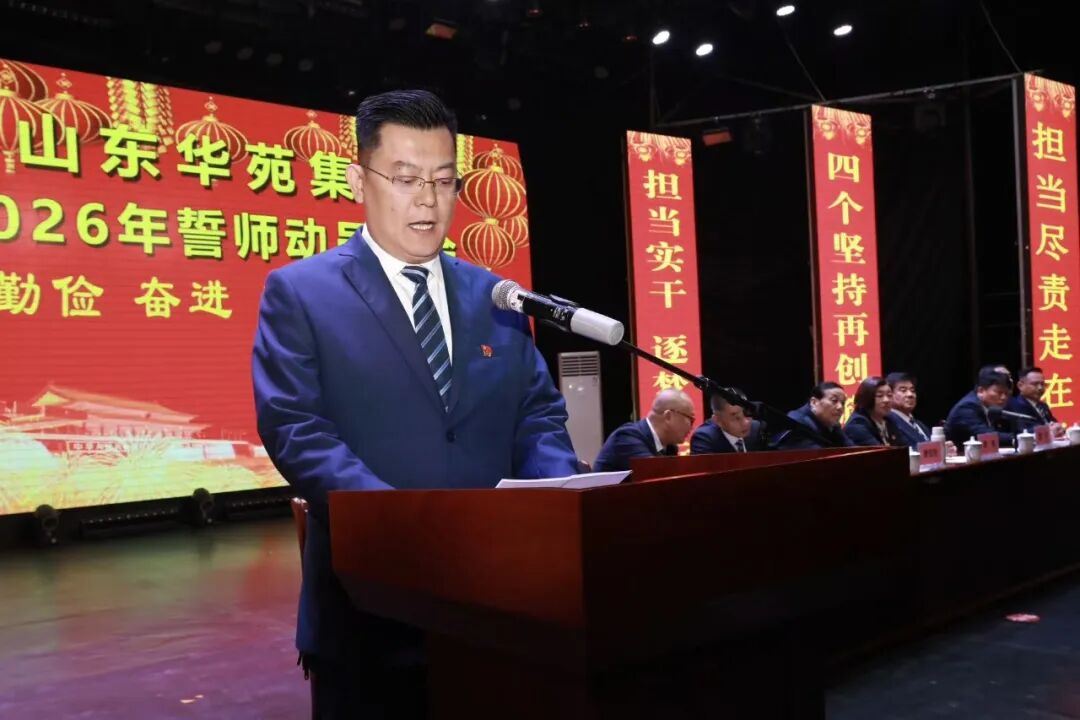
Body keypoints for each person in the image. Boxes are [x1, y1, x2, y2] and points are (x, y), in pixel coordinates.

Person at [252, 89, 578, 718]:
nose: (428, 200)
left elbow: (536, 414)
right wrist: (403, 526)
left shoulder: (495, 295)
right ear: (359, 181)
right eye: (405, 179)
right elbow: (296, 427)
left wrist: (557, 500)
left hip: (500, 611)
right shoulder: (301, 292)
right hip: (368, 610)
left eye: (443, 180)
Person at [593, 389, 695, 471]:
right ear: (668, 416)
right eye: (690, 419)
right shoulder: (627, 438)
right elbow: (656, 478)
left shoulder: (670, 447)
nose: (692, 427)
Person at [944, 367, 1015, 447]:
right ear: (981, 391)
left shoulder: (992, 408)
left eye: (1006, 394)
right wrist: (1017, 438)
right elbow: (986, 435)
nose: (1003, 397)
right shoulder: (967, 407)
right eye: (999, 392)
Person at [771, 381, 854, 450]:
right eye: (834, 400)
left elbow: (851, 449)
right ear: (814, 402)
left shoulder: (832, 424)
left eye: (843, 403)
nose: (840, 407)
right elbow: (819, 457)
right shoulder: (796, 422)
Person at [690, 389, 763, 454]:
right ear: (718, 420)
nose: (746, 422)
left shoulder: (757, 428)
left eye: (747, 413)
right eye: (736, 418)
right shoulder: (704, 439)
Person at [843, 376, 902, 446]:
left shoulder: (890, 420)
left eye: (889, 395)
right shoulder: (857, 424)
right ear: (866, 398)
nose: (886, 400)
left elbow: (903, 447)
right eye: (880, 396)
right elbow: (880, 451)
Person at [1007, 366, 1065, 437]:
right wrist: (1047, 430)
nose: (1040, 388)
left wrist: (1059, 428)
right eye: (1035, 384)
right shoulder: (1014, 405)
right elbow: (1022, 431)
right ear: (1020, 385)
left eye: (1042, 384)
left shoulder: (1043, 405)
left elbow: (1054, 424)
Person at [885, 372, 933, 448]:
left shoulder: (919, 424)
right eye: (903, 390)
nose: (910, 394)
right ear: (890, 394)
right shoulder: (888, 422)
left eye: (912, 390)